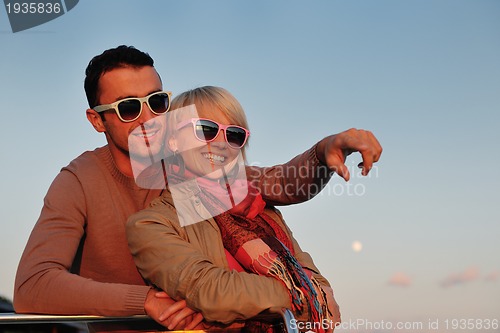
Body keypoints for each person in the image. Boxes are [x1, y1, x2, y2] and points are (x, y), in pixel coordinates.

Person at [13, 45, 382, 328]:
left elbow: (282, 183)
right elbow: (33, 287)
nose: (149, 118)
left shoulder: (195, 167)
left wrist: (325, 150)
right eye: (128, 108)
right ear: (97, 120)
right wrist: (143, 302)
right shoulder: (80, 179)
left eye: (158, 102)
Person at [127, 86, 338, 332]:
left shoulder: (262, 211)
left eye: (234, 135)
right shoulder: (152, 223)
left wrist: (299, 295)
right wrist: (302, 293)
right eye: (206, 130)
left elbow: (323, 289)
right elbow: (211, 292)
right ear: (173, 140)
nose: (221, 144)